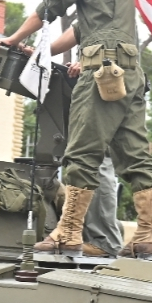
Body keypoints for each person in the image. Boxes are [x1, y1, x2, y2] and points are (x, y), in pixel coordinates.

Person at [2, 0, 152, 258]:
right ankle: (148, 236)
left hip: (100, 73)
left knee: (81, 153)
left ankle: (68, 232)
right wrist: (43, 51)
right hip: (131, 75)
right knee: (135, 157)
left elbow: (49, 8)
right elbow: (80, 30)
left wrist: (14, 39)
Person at [38, 24, 123, 257]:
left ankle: (105, 241)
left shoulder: (110, 1)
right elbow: (77, 31)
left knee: (95, 159)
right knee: (80, 159)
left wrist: (89, 63)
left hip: (107, 87)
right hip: (90, 87)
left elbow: (121, 48)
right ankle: (82, 234)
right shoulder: (93, 5)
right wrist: (41, 53)